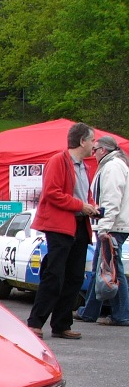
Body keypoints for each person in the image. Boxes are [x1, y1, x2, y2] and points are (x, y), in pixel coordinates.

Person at [27, 122, 100, 340]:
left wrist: (91, 207)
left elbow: (79, 196)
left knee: (75, 277)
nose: (94, 145)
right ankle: (35, 322)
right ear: (82, 141)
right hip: (60, 227)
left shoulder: (84, 167)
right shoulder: (58, 161)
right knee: (54, 275)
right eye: (92, 140)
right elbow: (52, 193)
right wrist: (81, 206)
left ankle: (61, 324)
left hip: (79, 226)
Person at [75, 135, 129, 326]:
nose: (93, 152)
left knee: (111, 270)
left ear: (103, 150)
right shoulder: (113, 165)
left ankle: (122, 314)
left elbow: (112, 199)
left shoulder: (112, 167)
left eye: (96, 149)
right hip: (114, 225)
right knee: (107, 268)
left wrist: (104, 227)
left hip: (114, 226)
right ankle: (91, 311)